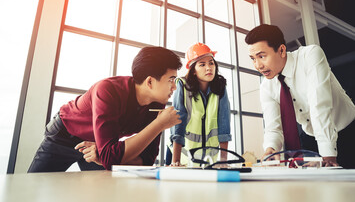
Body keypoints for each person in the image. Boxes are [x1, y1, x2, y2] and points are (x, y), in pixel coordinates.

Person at [28, 46, 182, 172]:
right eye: (171, 80)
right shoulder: (108, 89)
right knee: (33, 188)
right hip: (64, 136)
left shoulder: (156, 103)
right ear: (150, 82)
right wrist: (159, 124)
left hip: (98, 146)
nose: (174, 87)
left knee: (103, 193)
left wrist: (104, 156)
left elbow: (146, 160)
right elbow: (111, 158)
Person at [245, 24, 355, 168]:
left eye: (262, 56)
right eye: (253, 58)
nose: (258, 65)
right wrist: (271, 149)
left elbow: (319, 105)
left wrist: (327, 155)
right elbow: (273, 126)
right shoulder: (267, 86)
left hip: (347, 131)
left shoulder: (310, 55)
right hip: (311, 139)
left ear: (282, 50)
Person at [170, 43, 232, 166]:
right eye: (202, 65)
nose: (208, 68)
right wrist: (175, 161)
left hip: (209, 160)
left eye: (211, 63)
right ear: (193, 70)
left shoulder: (220, 87)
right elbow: (178, 122)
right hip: (183, 158)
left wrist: (223, 161)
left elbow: (224, 124)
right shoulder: (182, 86)